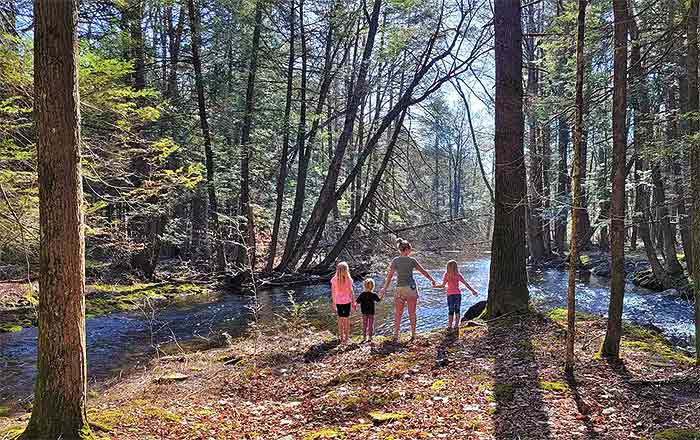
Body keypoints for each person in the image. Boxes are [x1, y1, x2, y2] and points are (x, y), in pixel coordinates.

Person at [379, 238, 437, 342]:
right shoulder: (412, 261)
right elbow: (423, 271)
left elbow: (390, 276)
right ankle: (413, 334)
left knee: (398, 313)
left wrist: (384, 288)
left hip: (399, 289)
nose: (411, 251)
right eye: (410, 249)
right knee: (412, 313)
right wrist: (432, 280)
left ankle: (396, 335)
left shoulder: (395, 261)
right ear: (407, 249)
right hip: (411, 289)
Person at [434, 260, 480, 332]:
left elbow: (443, 285)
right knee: (457, 310)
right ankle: (456, 326)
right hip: (457, 294)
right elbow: (465, 284)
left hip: (450, 295)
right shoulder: (458, 275)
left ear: (448, 267)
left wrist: (435, 286)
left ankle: (450, 326)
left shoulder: (447, 274)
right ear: (456, 267)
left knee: (451, 310)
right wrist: (472, 291)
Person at [330, 261, 355, 343]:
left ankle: (341, 337)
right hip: (347, 302)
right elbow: (351, 292)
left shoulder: (334, 280)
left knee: (340, 320)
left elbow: (333, 293)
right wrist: (353, 302)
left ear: (337, 270)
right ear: (346, 270)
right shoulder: (349, 280)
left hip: (338, 302)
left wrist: (333, 303)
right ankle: (346, 338)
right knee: (346, 320)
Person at [356, 278, 382, 343]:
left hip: (364, 312)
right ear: (373, 286)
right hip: (371, 312)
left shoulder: (362, 294)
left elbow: (357, 302)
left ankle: (364, 337)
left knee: (364, 325)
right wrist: (382, 294)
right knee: (371, 325)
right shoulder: (374, 295)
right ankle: (370, 337)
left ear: (364, 286)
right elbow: (378, 300)